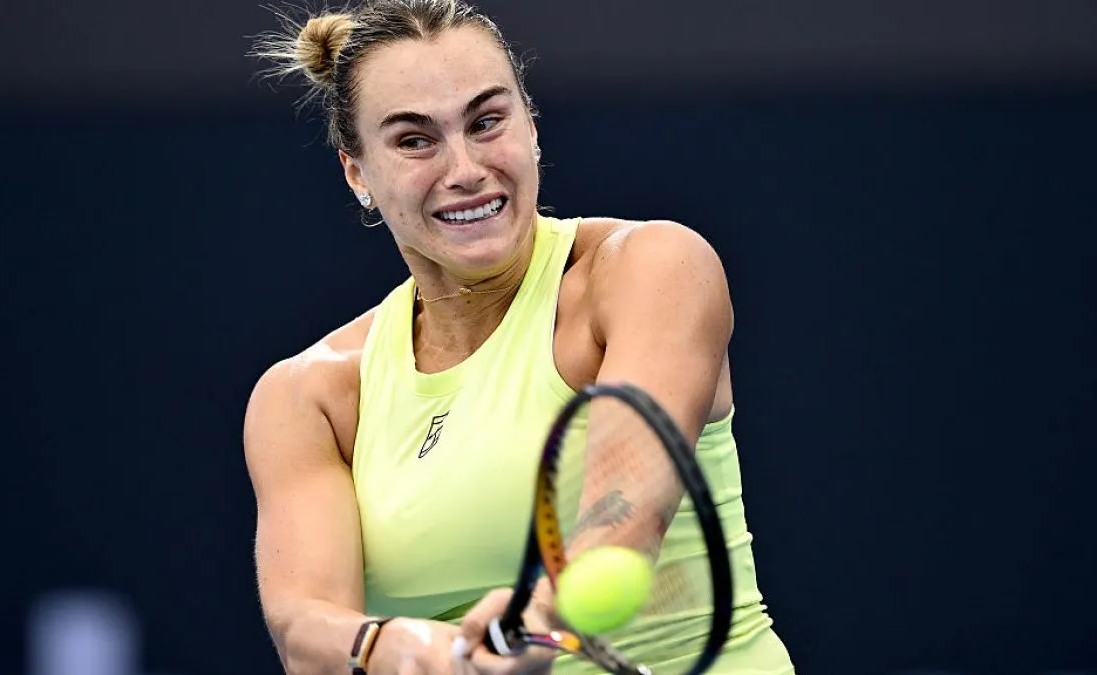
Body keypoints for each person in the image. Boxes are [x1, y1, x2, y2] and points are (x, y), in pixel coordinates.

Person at [243, 1, 795, 673]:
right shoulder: (309, 395)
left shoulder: (654, 267)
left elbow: (623, 520)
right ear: (357, 173)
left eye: (487, 121)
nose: (466, 168)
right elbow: (305, 623)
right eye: (415, 139)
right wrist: (397, 647)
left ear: (530, 126)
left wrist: (538, 625)